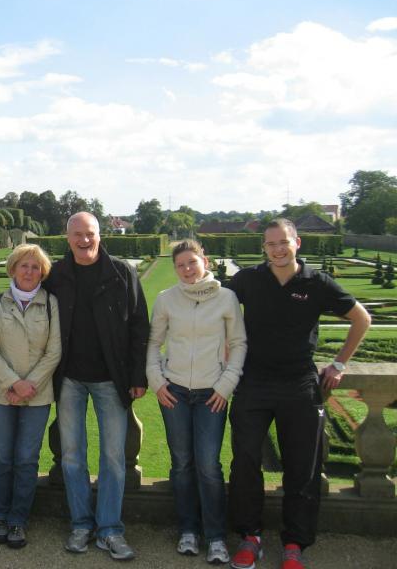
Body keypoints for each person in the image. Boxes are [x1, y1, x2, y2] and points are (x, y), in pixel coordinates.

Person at [227, 219, 371, 569]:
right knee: (244, 462)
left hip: (300, 384)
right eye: (271, 244)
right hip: (253, 382)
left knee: (302, 467)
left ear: (297, 243)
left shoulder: (316, 282)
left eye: (283, 242)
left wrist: (339, 363)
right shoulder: (248, 279)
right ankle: (250, 536)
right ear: (264, 247)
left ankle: (294, 543)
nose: (277, 249)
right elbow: (214, 309)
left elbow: (362, 319)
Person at [43, 211, 150, 561]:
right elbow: (30, 304)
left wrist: (138, 376)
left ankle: (109, 529)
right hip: (69, 378)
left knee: (114, 458)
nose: (84, 239)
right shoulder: (56, 274)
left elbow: (139, 325)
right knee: (72, 456)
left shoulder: (121, 272)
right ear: (67, 237)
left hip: (111, 378)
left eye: (89, 233)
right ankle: (81, 524)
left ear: (100, 235)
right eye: (77, 234)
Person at [146, 239, 247, 564]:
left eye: (192, 262)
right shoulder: (166, 299)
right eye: (181, 265)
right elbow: (153, 343)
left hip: (211, 394)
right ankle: (188, 530)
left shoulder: (226, 298)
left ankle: (215, 536)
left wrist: (225, 385)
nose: (187, 269)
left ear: (205, 260)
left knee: (208, 465)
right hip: (174, 391)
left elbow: (239, 344)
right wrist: (157, 381)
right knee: (182, 463)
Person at [0, 244, 62, 549]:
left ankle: (18, 519)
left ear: (42, 272)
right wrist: (14, 383)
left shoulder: (51, 304)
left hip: (37, 395)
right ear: (13, 269)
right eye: (24, 266)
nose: (29, 272)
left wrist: (29, 385)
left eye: (35, 267)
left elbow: (54, 352)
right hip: (2, 392)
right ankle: (0, 516)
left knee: (27, 460)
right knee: (3, 458)